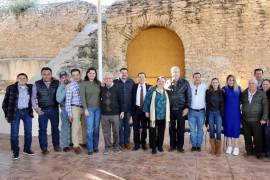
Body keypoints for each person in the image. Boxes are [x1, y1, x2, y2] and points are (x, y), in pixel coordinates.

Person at [2, 73, 35, 159]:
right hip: (15, 113)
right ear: (17, 79)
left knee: (28, 132)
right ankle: (15, 151)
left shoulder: (30, 87)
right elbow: (5, 103)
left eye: (24, 78)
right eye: (20, 78)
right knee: (14, 134)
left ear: (27, 80)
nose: (22, 80)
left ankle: (27, 149)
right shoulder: (11, 88)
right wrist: (7, 114)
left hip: (27, 112)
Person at [32, 67, 61, 155]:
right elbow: (33, 98)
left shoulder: (57, 83)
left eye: (48, 74)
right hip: (42, 111)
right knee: (42, 130)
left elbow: (61, 93)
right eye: (44, 74)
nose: (46, 76)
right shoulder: (36, 84)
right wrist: (36, 108)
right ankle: (44, 148)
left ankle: (56, 145)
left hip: (54, 109)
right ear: (41, 75)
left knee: (55, 129)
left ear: (51, 74)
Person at [165, 66, 191, 153]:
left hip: (181, 109)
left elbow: (189, 96)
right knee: (171, 128)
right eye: (173, 72)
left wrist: (187, 108)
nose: (175, 73)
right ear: (171, 73)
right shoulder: (167, 82)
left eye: (176, 72)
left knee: (181, 129)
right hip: (170, 110)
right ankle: (172, 145)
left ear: (179, 73)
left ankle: (180, 146)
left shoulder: (185, 82)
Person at [241, 78, 268, 159]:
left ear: (256, 85)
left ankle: (258, 152)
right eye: (250, 83)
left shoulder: (261, 94)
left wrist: (264, 118)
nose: (251, 85)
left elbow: (265, 106)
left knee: (258, 137)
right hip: (246, 119)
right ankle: (249, 151)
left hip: (257, 120)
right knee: (247, 137)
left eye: (253, 83)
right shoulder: (244, 93)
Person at [144, 76, 170, 154]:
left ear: (164, 83)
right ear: (157, 82)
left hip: (163, 116)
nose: (161, 82)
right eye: (160, 81)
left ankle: (160, 146)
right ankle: (153, 147)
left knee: (161, 132)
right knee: (153, 132)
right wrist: (147, 111)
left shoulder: (166, 91)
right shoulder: (152, 90)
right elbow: (147, 101)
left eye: (163, 81)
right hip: (153, 115)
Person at [100, 72, 123, 155]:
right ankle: (107, 146)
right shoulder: (101, 88)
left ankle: (116, 146)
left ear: (112, 79)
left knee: (116, 131)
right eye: (106, 78)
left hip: (115, 113)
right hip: (104, 114)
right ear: (104, 80)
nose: (108, 80)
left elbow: (121, 100)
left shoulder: (117, 88)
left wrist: (122, 111)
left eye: (109, 78)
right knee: (106, 132)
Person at [80, 67, 101, 155]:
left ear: (95, 74)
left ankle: (95, 146)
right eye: (90, 73)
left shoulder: (98, 83)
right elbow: (82, 97)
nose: (92, 74)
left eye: (93, 73)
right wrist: (85, 109)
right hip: (89, 109)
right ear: (87, 74)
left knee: (96, 129)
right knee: (89, 130)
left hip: (98, 109)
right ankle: (90, 148)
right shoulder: (83, 84)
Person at [113, 68, 135, 150]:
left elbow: (134, 94)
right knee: (119, 127)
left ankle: (127, 142)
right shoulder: (115, 82)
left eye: (125, 73)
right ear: (119, 73)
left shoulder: (131, 82)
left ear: (127, 74)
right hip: (118, 109)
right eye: (122, 73)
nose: (124, 74)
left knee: (127, 127)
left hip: (128, 109)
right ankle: (121, 142)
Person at [65, 69, 85, 154]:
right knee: (75, 127)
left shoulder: (84, 84)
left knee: (85, 126)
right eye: (74, 75)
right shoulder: (70, 86)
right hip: (75, 108)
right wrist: (69, 114)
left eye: (77, 75)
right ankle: (76, 145)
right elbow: (68, 101)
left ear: (80, 75)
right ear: (71, 76)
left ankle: (84, 142)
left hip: (84, 107)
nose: (76, 77)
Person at [132, 72, 151, 150]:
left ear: (145, 78)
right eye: (140, 77)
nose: (141, 78)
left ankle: (143, 143)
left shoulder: (149, 87)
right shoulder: (134, 87)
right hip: (136, 110)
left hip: (144, 110)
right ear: (138, 78)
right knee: (135, 128)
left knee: (144, 128)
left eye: (143, 77)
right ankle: (136, 144)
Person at [222, 75, 241, 156]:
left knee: (236, 128)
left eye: (232, 80)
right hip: (227, 111)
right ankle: (229, 146)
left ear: (234, 81)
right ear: (227, 80)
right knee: (228, 127)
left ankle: (236, 147)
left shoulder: (239, 89)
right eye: (229, 80)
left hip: (236, 112)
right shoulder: (224, 89)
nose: (231, 81)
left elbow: (242, 100)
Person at [189, 72, 208, 152]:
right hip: (191, 111)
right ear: (193, 78)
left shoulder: (205, 87)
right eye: (195, 77)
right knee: (192, 129)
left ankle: (199, 145)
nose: (197, 78)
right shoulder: (190, 87)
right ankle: (194, 145)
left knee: (200, 129)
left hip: (201, 111)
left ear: (201, 78)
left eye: (198, 77)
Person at [205, 78, 224, 156]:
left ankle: (218, 149)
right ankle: (213, 149)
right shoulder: (208, 92)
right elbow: (207, 104)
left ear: (218, 83)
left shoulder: (221, 92)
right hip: (211, 113)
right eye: (213, 82)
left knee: (218, 131)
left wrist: (222, 115)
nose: (215, 84)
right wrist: (207, 117)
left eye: (216, 82)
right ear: (211, 83)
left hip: (218, 113)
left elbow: (223, 104)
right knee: (212, 130)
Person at [56, 71, 71, 152]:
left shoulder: (71, 84)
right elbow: (59, 99)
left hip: (73, 109)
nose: (64, 79)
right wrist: (65, 89)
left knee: (73, 127)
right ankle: (65, 145)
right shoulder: (60, 87)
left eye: (66, 77)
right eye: (62, 77)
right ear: (60, 79)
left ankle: (71, 142)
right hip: (64, 110)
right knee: (65, 127)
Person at [262, 79, 270, 157]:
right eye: (264, 84)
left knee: (267, 133)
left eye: (267, 84)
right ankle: (261, 149)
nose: (265, 85)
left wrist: (267, 118)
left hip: (268, 118)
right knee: (259, 133)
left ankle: (268, 150)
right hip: (261, 118)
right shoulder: (260, 93)